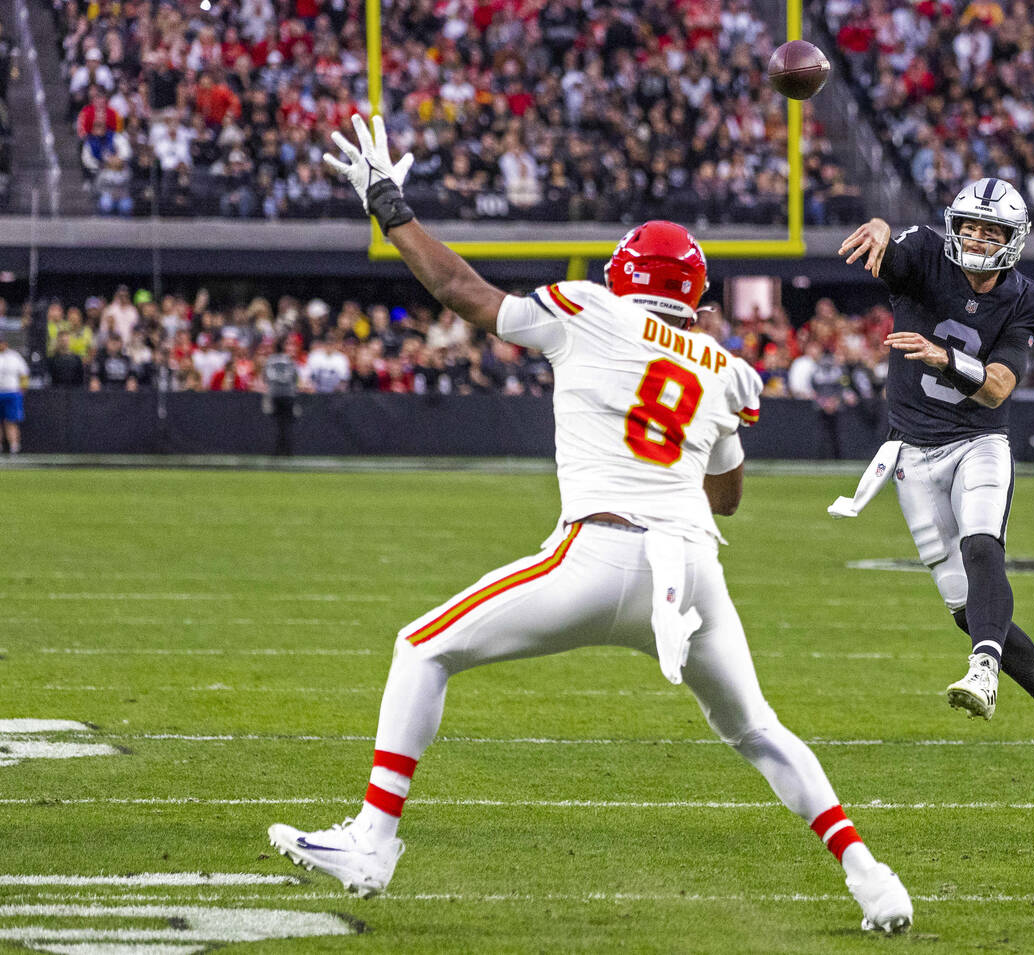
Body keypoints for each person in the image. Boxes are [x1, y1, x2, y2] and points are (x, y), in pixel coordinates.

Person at [267, 115, 914, 934]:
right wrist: (699, 436)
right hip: (689, 568)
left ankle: (373, 838)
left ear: (623, 273)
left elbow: (465, 294)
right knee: (758, 728)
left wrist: (390, 207)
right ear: (694, 293)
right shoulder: (722, 368)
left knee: (421, 647)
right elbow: (728, 498)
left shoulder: (586, 309)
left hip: (596, 551)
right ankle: (872, 877)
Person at [834, 177, 1034, 783]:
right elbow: (888, 249)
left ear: (1013, 240)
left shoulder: (1028, 299)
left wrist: (942, 356)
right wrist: (878, 227)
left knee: (983, 547)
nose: (977, 238)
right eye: (970, 226)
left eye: (991, 230)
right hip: (910, 454)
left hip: (978, 443)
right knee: (965, 607)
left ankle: (983, 668)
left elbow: (1000, 386)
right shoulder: (925, 254)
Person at [262, 337, 299, 456]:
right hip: (288, 394)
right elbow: (294, 377)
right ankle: (288, 451)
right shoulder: (288, 360)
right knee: (287, 424)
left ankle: (276, 451)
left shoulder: (270, 360)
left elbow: (266, 377)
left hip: (275, 394)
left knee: (276, 424)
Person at [0, 332, 29, 453]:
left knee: (11, 421)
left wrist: (22, 389)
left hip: (12, 393)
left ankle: (14, 447)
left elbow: (24, 373)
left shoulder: (14, 356)